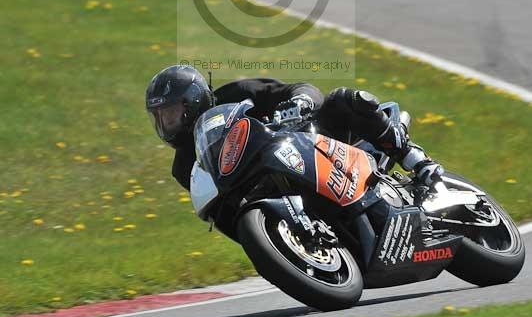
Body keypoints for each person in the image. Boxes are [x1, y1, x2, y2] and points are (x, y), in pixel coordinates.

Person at [145, 64, 443, 192]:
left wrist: (299, 103)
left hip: (313, 141)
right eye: (159, 118)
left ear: (193, 102)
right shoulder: (185, 166)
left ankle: (416, 160)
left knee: (345, 100)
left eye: (170, 113)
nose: (166, 124)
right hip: (273, 184)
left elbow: (300, 88)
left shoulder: (238, 93)